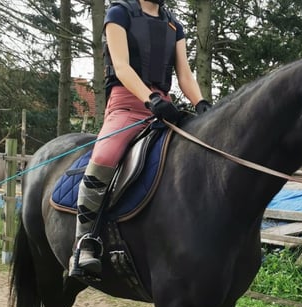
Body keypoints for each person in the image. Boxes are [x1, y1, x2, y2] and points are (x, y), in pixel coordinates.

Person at [70, 0, 212, 277]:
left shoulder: (174, 25)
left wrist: (201, 103)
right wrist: (149, 99)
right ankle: (83, 243)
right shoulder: (118, 13)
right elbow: (121, 67)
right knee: (105, 156)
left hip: (164, 106)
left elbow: (184, 75)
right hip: (126, 104)